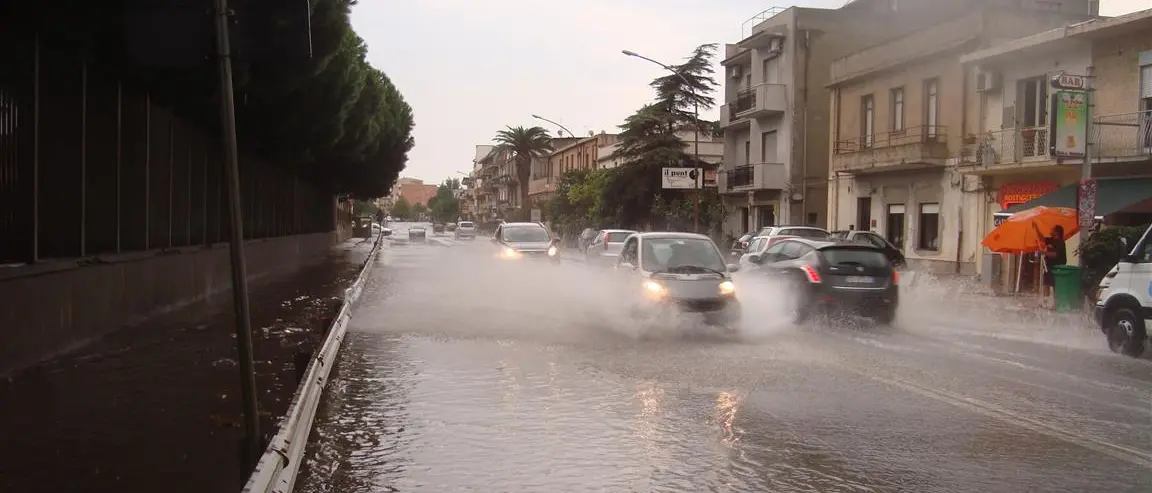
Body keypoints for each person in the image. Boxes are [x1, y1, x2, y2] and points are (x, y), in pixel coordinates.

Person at [1033, 223, 1067, 308]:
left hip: (1058, 267)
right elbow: (1041, 238)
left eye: (1052, 229)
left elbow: (1055, 254)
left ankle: (1057, 304)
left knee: (1056, 286)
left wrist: (1044, 253)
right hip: (1049, 266)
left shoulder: (1060, 242)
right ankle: (1045, 302)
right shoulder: (1051, 240)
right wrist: (1036, 228)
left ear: (1057, 232)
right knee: (1046, 284)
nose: (1050, 230)